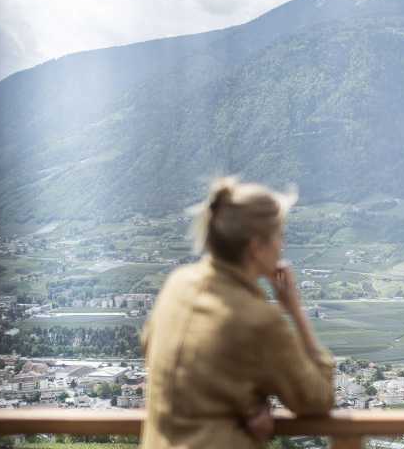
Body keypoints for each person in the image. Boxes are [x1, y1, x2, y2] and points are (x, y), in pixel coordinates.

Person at [139, 177, 336, 448]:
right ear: (256, 246)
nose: (282, 246)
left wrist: (237, 409)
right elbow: (318, 399)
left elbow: (151, 348)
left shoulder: (178, 284)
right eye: (280, 236)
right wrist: (295, 311)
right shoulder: (259, 320)